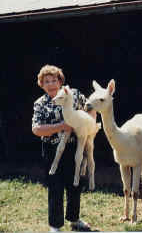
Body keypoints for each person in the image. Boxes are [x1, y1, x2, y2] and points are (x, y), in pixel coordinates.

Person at [32, 64, 96, 232]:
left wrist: (88, 127)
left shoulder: (73, 94)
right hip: (52, 151)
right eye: (47, 81)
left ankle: (74, 219)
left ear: (60, 82)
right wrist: (61, 126)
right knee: (55, 187)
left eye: (54, 80)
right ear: (41, 84)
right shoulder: (40, 103)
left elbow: (90, 108)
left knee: (75, 184)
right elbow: (36, 129)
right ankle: (55, 225)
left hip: (75, 147)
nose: (51, 84)